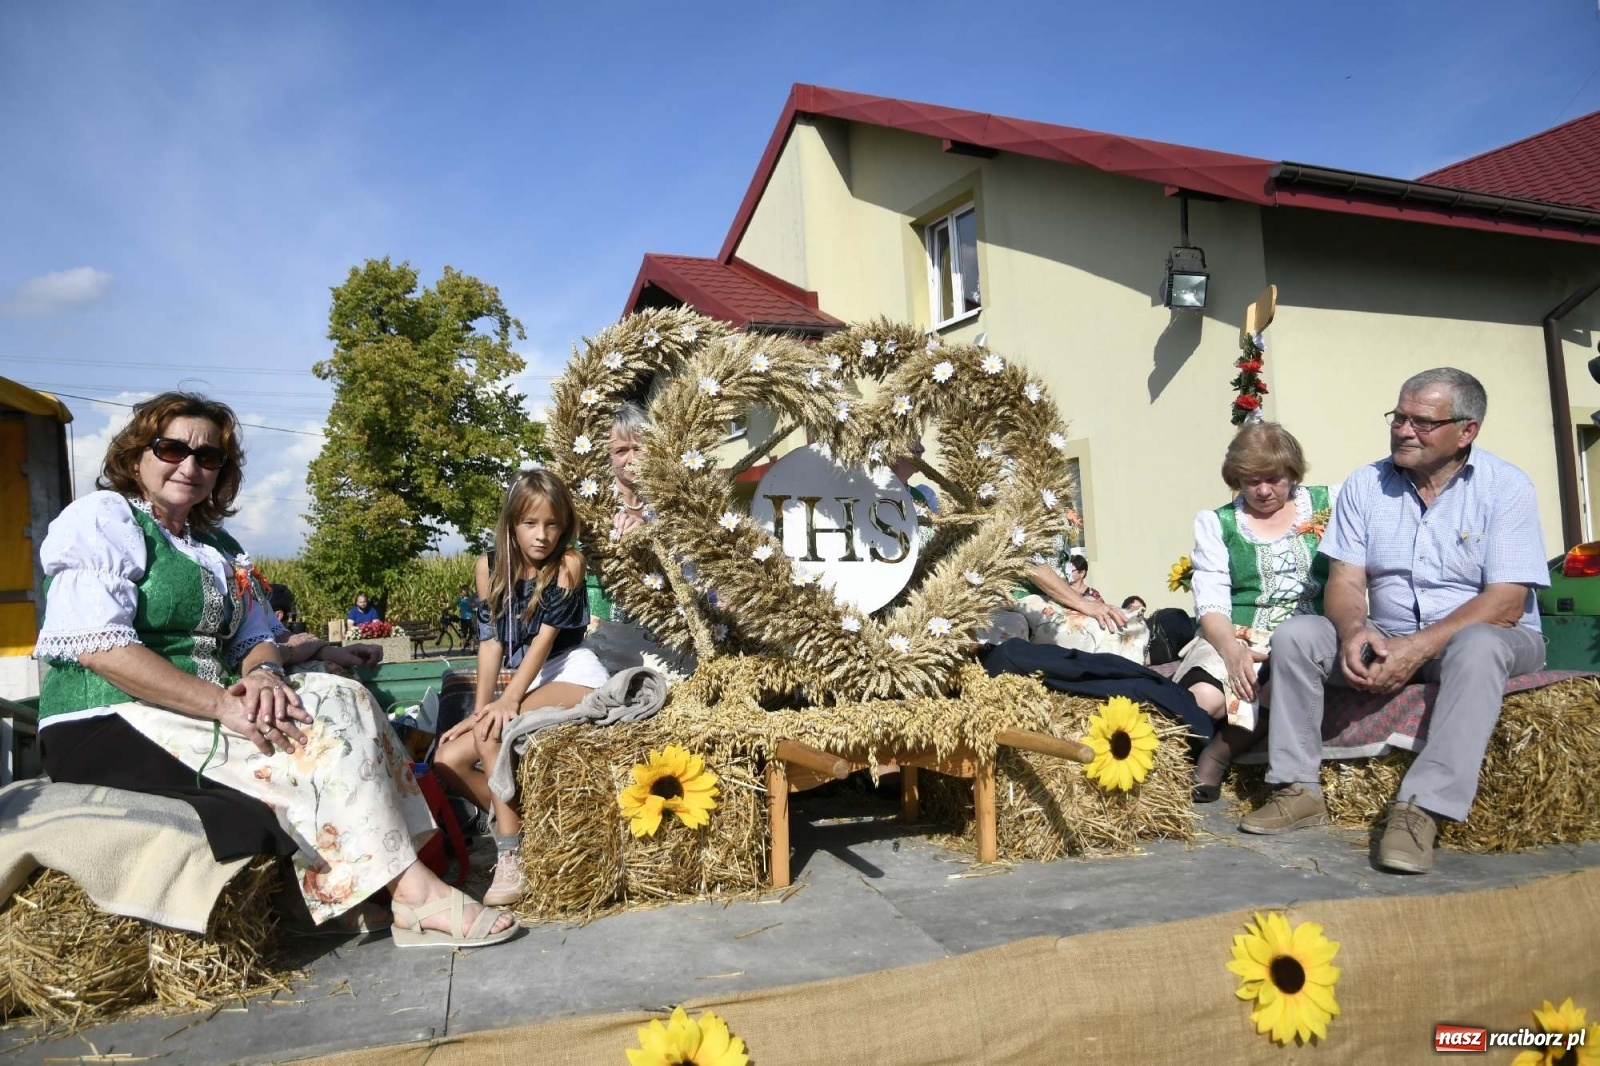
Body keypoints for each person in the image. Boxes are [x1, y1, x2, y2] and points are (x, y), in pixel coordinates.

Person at [32, 392, 515, 946]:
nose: (189, 466)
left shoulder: (216, 546)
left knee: (342, 697)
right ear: (136, 454)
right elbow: (103, 649)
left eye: (208, 457)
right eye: (171, 449)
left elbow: (257, 638)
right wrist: (223, 706)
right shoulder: (104, 520)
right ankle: (413, 895)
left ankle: (364, 884)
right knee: (300, 736)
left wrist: (263, 675)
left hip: (208, 701)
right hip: (109, 717)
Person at [1240, 369, 1548, 875]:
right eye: (1398, 417)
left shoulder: (1507, 487)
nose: (1404, 430)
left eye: (1422, 422)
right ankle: (1297, 789)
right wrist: (1355, 630)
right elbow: (1343, 581)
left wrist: (1417, 649)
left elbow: (1506, 603)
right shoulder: (1366, 484)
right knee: (1299, 635)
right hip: (1387, 631)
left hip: (1490, 635)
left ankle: (1422, 808)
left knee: (1478, 646)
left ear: (1466, 431)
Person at [432, 469, 609, 906]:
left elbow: (545, 641)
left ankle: (511, 857)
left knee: (496, 731)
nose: (542, 535)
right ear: (511, 523)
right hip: (530, 678)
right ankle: (527, 824)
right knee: (445, 759)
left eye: (552, 524)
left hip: (571, 671)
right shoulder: (488, 567)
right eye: (530, 523)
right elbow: (490, 642)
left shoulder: (568, 563)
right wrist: (479, 709)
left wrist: (507, 701)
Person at [1174, 422, 1336, 803]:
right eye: (1250, 481)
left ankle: (1217, 756)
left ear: (1292, 473)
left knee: (1280, 680)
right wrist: (1234, 655)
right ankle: (1174, 765)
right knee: (1204, 698)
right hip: (1234, 631)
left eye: (1274, 479)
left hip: (1308, 632)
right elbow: (1212, 604)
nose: (1263, 490)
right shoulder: (1218, 523)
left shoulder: (1331, 502)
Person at [610, 401, 651, 540]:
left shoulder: (667, 497)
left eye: (639, 448)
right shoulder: (597, 503)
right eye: (621, 451)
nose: (633, 459)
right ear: (608, 455)